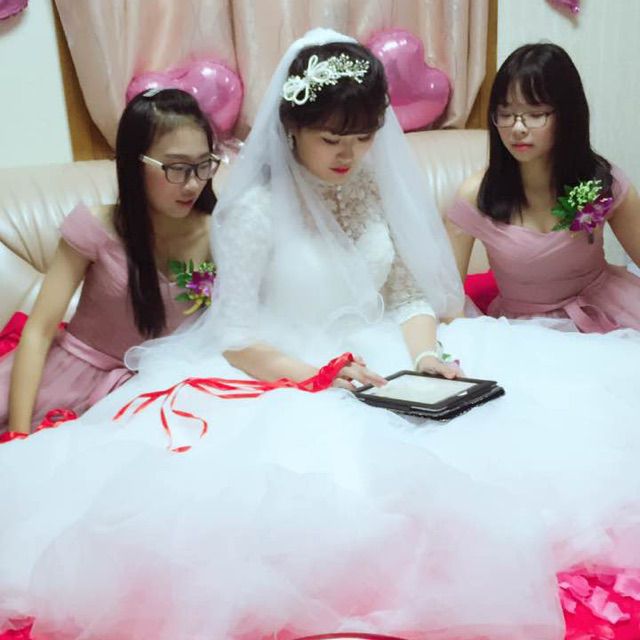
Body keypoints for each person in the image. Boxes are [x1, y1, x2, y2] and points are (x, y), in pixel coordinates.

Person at [1, 29, 639, 640]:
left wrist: (426, 353)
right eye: (332, 138)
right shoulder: (253, 211)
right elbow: (235, 334)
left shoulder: (370, 189)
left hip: (383, 358)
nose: (348, 155)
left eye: (363, 138)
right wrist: (321, 374)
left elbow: (405, 293)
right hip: (286, 371)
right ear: (292, 128)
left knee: (496, 463)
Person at [0, 89, 219, 434]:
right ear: (135, 164)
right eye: (177, 168)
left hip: (162, 390)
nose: (193, 184)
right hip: (70, 382)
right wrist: (20, 434)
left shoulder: (220, 233)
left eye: (203, 165)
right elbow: (39, 331)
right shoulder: (96, 227)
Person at [446, 43, 640, 332]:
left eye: (535, 114)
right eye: (506, 113)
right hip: (525, 331)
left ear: (567, 115)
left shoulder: (601, 182)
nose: (518, 128)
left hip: (609, 313)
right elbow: (447, 300)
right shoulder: (475, 196)